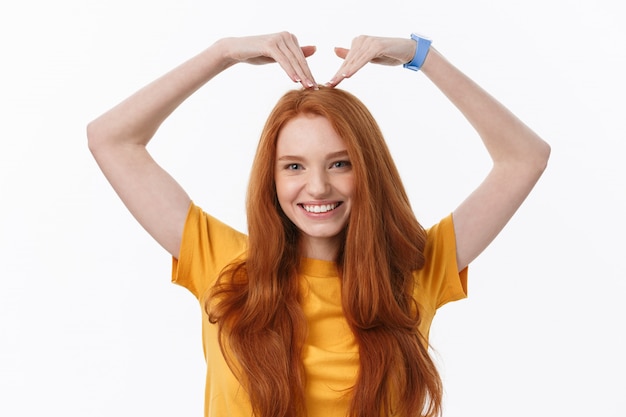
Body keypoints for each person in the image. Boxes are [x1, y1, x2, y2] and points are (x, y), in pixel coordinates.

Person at [87, 32, 550, 417]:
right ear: (270, 178)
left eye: (339, 164)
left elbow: (524, 158)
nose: (318, 187)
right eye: (293, 166)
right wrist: (223, 53)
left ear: (368, 170)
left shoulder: (414, 271)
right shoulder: (225, 265)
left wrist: (420, 56)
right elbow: (111, 139)